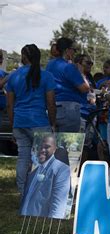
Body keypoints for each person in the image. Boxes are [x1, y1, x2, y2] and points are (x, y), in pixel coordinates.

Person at [5, 44, 56, 195]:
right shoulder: (46, 76)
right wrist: (52, 123)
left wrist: (13, 125)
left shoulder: (14, 76)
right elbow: (51, 103)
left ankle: (23, 193)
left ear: (23, 57)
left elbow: (9, 104)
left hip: (20, 122)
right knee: (44, 160)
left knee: (23, 157)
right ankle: (41, 195)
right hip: (39, 122)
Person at [20, 135, 70, 219]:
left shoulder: (61, 169)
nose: (42, 150)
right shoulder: (32, 173)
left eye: (47, 147)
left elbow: (58, 205)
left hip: (43, 223)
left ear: (54, 149)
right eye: (40, 147)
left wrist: (53, 224)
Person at [46, 37, 90, 132]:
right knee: (68, 145)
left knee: (50, 145)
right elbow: (85, 88)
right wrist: (80, 71)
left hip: (52, 107)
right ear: (67, 50)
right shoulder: (69, 67)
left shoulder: (50, 64)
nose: (74, 53)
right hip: (69, 109)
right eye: (73, 50)